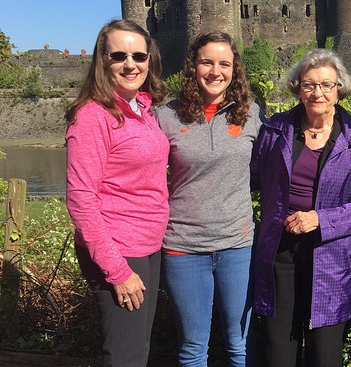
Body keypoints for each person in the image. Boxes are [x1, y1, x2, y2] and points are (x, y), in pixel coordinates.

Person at [251, 49, 351, 367]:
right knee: (278, 348)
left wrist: (320, 219)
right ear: (297, 88)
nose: (317, 92)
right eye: (309, 84)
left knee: (324, 354)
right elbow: (249, 180)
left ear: (339, 90)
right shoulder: (275, 131)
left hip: (331, 257)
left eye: (326, 85)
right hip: (281, 252)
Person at [65, 19, 169, 367]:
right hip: (121, 251)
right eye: (119, 55)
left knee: (136, 349)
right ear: (102, 60)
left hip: (147, 246)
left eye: (139, 55)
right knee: (126, 356)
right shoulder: (93, 117)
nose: (131, 64)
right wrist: (117, 271)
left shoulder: (142, 109)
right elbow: (81, 200)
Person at [155, 32, 262, 366]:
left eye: (224, 64)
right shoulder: (167, 117)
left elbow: (271, 169)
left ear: (234, 70)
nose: (216, 71)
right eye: (207, 62)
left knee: (239, 345)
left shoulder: (252, 114)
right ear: (193, 67)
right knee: (192, 348)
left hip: (236, 244)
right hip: (184, 247)